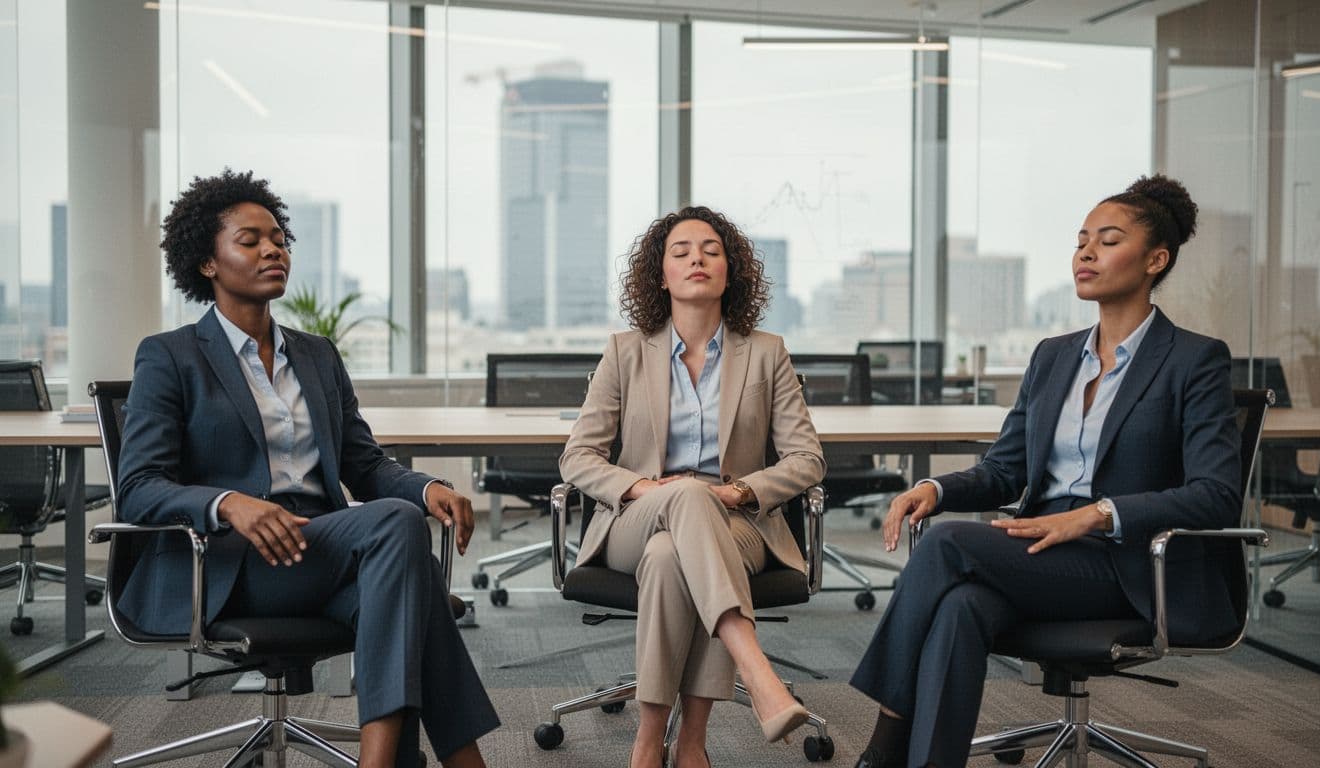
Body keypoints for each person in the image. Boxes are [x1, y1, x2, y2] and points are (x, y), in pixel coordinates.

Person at [850, 175, 1242, 768]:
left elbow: (1215, 496)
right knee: (961, 608)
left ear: (1155, 259)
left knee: (950, 543)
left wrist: (1096, 515)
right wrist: (934, 487)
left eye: (1107, 241)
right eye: (1082, 239)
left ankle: (883, 747)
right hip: (1040, 552)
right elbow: (1006, 471)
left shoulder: (1194, 359)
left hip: (1124, 562)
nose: (1085, 253)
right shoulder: (1054, 356)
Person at [117, 169, 499, 768]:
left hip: (322, 550)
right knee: (402, 545)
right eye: (250, 240)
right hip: (234, 563)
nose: (273, 249)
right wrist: (229, 504)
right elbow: (137, 489)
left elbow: (363, 464)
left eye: (278, 238)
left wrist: (427, 489)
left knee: (407, 568)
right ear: (208, 263)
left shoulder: (316, 355)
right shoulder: (171, 357)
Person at [559, 206, 827, 768]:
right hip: (639, 514)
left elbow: (807, 459)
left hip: (738, 521)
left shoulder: (767, 352)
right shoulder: (625, 351)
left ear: (732, 272)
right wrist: (643, 489)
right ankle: (753, 672)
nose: (696, 259)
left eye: (711, 250)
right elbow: (577, 458)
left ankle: (658, 743)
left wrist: (741, 492)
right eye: (680, 252)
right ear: (661, 275)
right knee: (680, 499)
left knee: (668, 556)